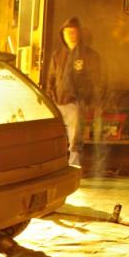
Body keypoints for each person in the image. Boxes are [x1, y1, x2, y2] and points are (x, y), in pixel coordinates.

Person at [46, 17, 105, 168]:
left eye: (72, 32)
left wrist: (90, 100)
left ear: (79, 34)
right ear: (62, 34)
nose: (69, 35)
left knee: (75, 137)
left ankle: (73, 166)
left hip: (76, 102)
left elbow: (97, 79)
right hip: (57, 102)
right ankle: (58, 165)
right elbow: (51, 77)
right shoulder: (57, 54)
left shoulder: (89, 55)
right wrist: (49, 97)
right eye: (66, 32)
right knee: (59, 136)